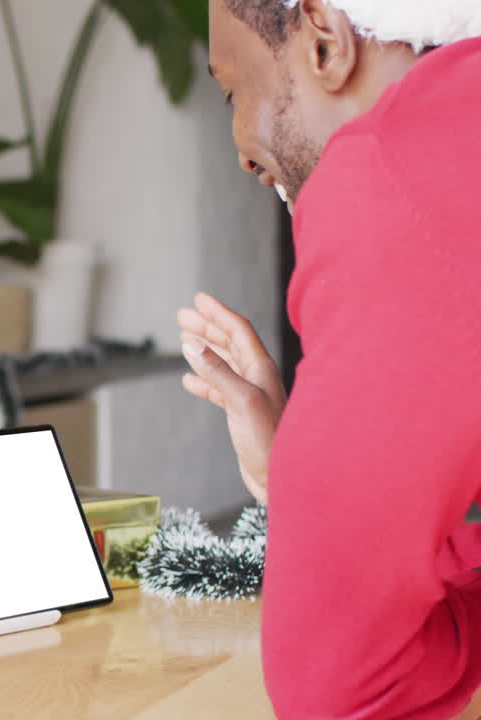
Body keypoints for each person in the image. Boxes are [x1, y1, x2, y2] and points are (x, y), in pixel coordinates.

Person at [177, 0, 481, 717]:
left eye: (234, 89)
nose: (243, 150)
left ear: (324, 41)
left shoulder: (396, 168)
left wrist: (301, 485)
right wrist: (297, 477)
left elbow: (340, 687)